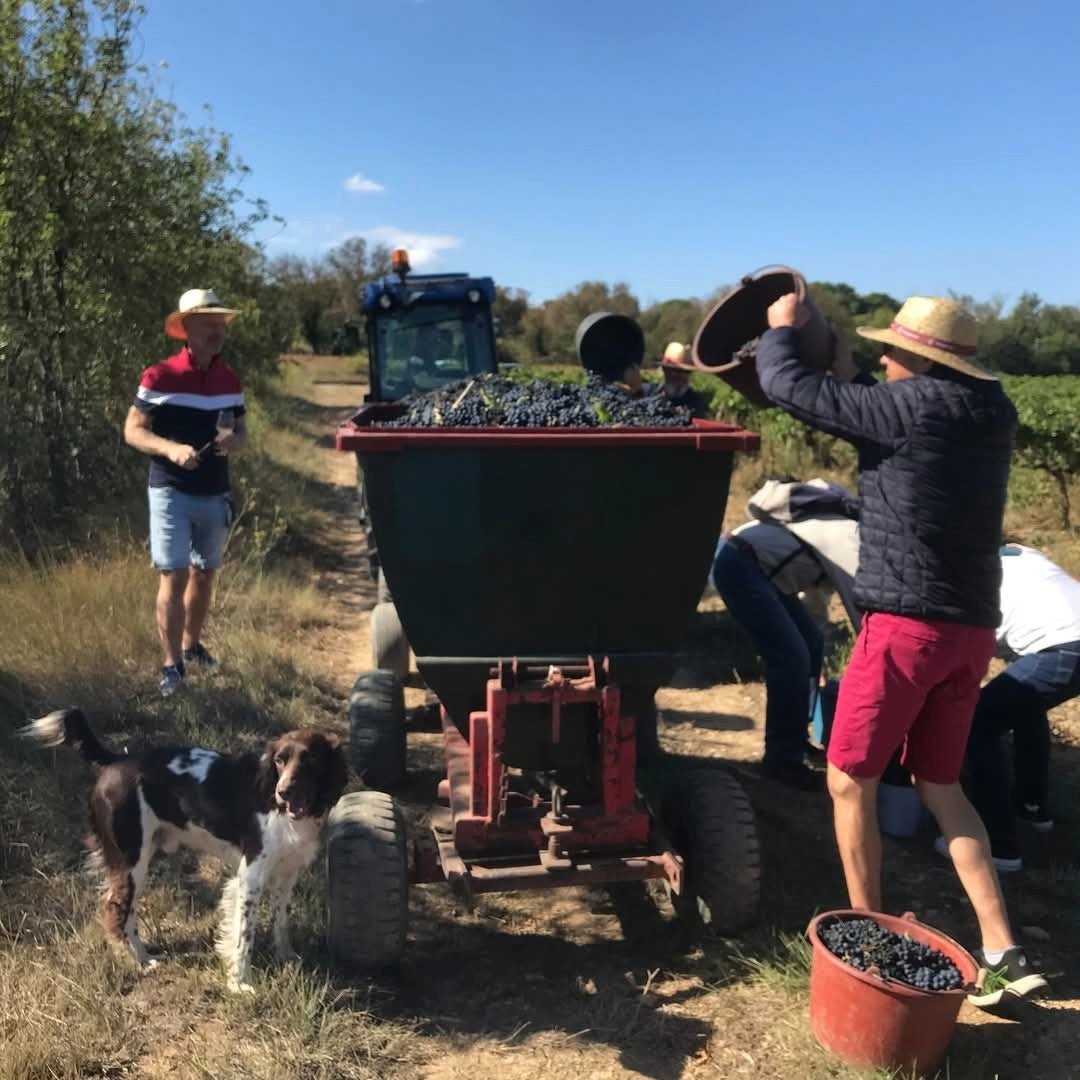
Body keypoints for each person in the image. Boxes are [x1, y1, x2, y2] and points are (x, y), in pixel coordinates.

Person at [756, 293, 1047, 1007]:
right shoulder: (987, 413)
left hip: (905, 627)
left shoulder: (911, 408)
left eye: (891, 351)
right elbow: (881, 413)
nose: (881, 359)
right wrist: (852, 371)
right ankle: (1003, 951)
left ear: (919, 360)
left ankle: (872, 937)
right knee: (942, 788)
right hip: (970, 630)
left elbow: (784, 386)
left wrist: (781, 333)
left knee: (848, 779)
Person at [124, 288, 246, 697]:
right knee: (173, 573)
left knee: (204, 572)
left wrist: (234, 441)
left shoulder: (229, 379)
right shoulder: (159, 377)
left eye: (221, 324)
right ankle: (171, 664)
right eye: (209, 324)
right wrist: (171, 449)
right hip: (171, 490)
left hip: (214, 491)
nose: (218, 331)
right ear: (187, 327)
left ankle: (192, 646)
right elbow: (133, 430)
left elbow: (241, 432)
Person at [712, 478, 860, 789]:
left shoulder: (840, 530)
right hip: (740, 565)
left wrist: (815, 652)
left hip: (760, 570)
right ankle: (782, 760)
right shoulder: (850, 537)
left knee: (810, 644)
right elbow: (861, 609)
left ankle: (795, 739)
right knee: (791, 657)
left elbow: (818, 603)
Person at [956, 542, 1080, 871]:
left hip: (1061, 647)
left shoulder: (971, 573)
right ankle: (1032, 806)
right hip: (1071, 637)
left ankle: (998, 845)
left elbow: (968, 652)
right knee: (1025, 706)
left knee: (980, 724)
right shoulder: (1022, 551)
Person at [658, 342, 709, 418]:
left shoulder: (696, 402)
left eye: (686, 372)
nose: (681, 376)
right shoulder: (650, 394)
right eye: (676, 371)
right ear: (665, 370)